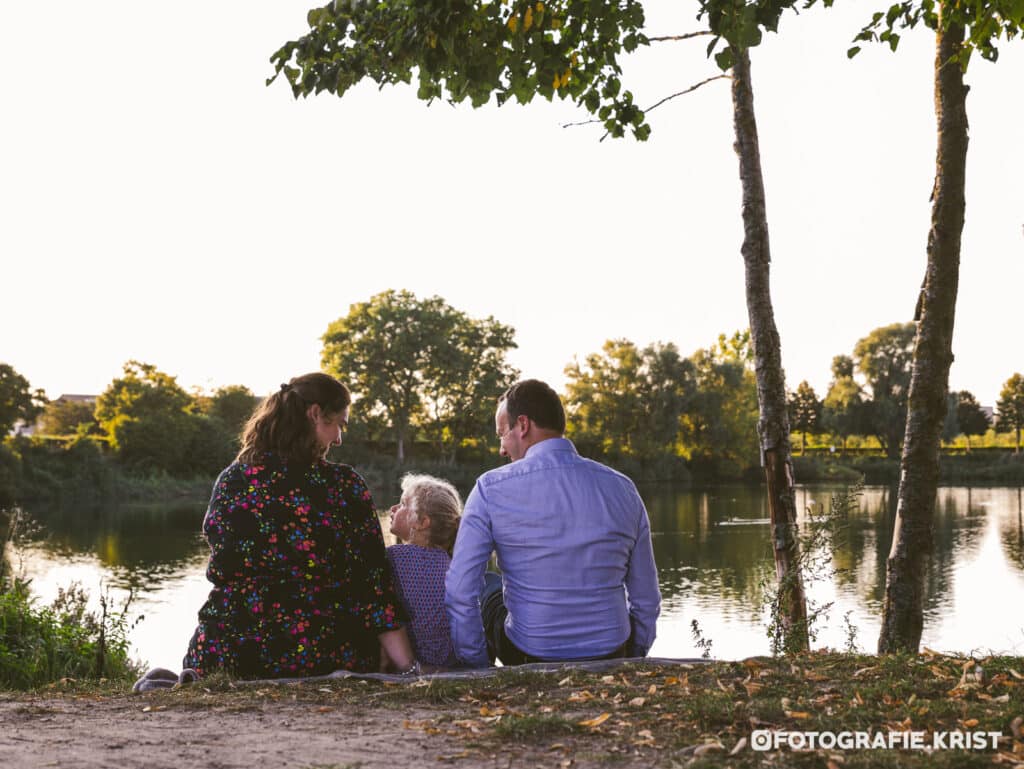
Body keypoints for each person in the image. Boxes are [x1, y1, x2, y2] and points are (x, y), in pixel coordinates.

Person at [183, 372, 418, 678]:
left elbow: (223, 565)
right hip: (318, 651)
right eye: (338, 424)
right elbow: (372, 586)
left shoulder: (232, 479)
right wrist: (409, 667)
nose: (339, 438)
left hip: (228, 650)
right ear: (315, 414)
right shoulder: (343, 486)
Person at [445, 379, 661, 668]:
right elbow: (646, 597)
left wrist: (477, 665)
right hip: (611, 650)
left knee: (488, 586)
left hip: (528, 653)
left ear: (522, 426)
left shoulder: (490, 489)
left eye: (501, 434)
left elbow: (460, 591)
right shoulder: (623, 488)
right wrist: (633, 654)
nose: (501, 449)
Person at [383, 473, 462, 669]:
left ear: (422, 523)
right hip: (447, 659)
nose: (393, 509)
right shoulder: (453, 564)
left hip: (406, 659)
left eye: (402, 504)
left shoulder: (392, 558)